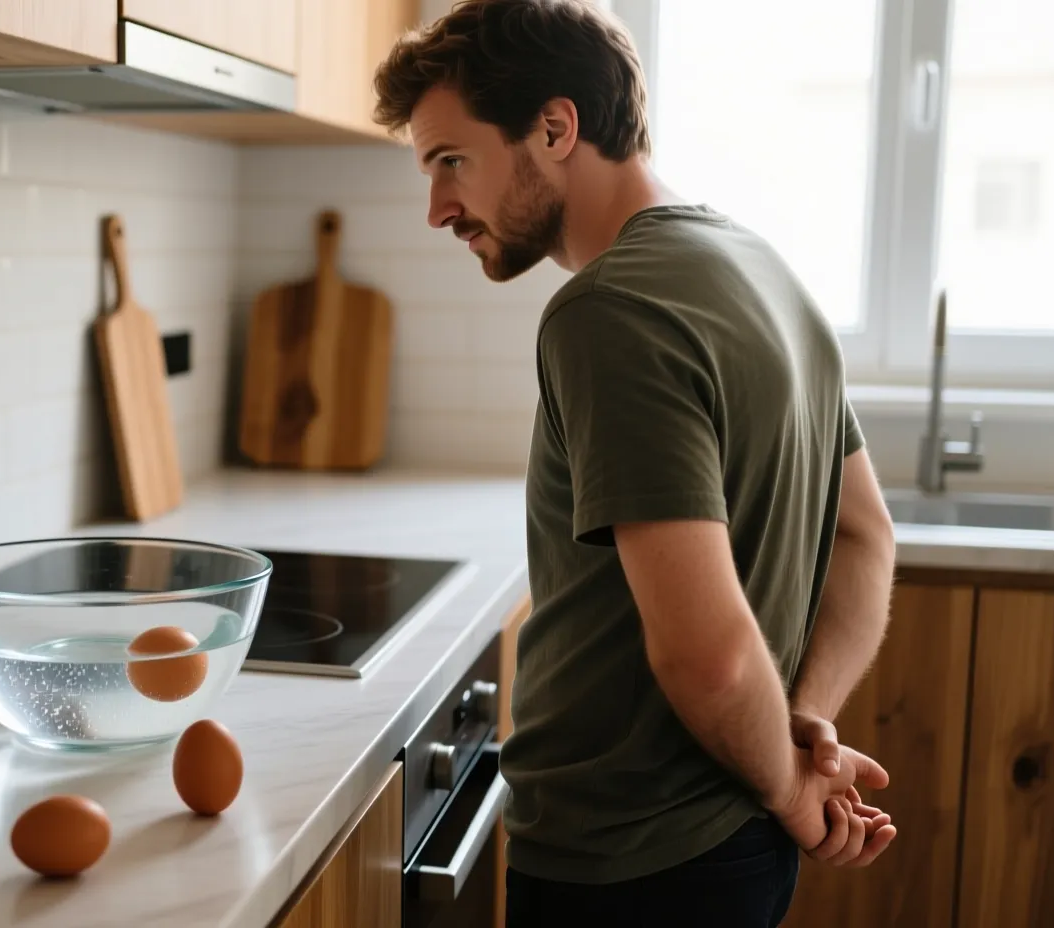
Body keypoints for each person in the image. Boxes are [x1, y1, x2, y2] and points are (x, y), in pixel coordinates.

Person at [372, 1, 901, 925]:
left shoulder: (608, 312)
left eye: (451, 160)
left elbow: (709, 658)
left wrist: (788, 784)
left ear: (555, 126)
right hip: (733, 848)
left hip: (626, 864)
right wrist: (802, 731)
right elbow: (866, 535)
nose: (437, 209)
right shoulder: (762, 268)